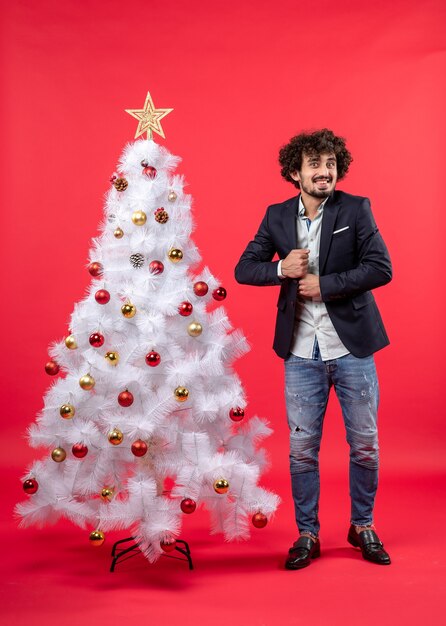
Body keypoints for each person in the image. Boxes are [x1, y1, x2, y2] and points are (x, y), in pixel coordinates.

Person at [235, 129, 392, 569]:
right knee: (302, 449)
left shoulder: (356, 209)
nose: (324, 172)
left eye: (330, 164)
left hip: (352, 348)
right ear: (294, 173)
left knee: (365, 445)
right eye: (315, 165)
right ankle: (308, 533)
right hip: (301, 352)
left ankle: (362, 526)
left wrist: (326, 286)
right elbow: (244, 268)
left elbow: (381, 267)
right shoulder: (276, 217)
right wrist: (281, 269)